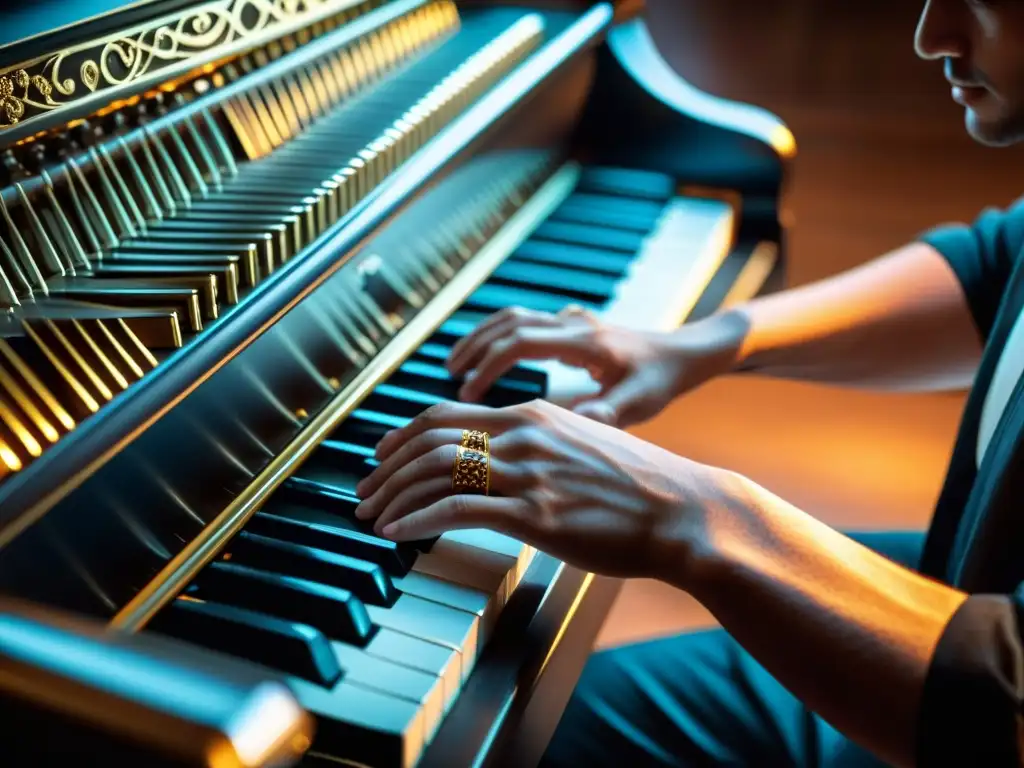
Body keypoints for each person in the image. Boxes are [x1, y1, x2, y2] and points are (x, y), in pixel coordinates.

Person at [355, 0, 1024, 765]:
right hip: (957, 585)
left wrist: (692, 516)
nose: (931, 35)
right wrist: (695, 345)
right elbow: (997, 264)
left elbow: (1007, 699)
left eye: (977, 3)